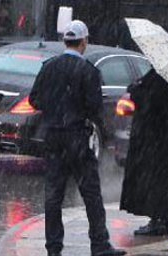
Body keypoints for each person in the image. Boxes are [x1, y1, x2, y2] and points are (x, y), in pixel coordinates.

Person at [29, 20, 126, 256]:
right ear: (84, 42)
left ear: (65, 41)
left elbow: (34, 99)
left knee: (53, 195)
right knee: (91, 193)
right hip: (77, 137)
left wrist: (54, 109)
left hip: (53, 137)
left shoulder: (48, 67)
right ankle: (100, 244)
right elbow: (94, 107)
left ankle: (53, 248)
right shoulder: (89, 71)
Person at [120, 68, 168, 236]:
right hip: (164, 140)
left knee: (156, 181)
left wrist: (135, 90)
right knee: (161, 181)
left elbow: (151, 100)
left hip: (157, 140)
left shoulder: (162, 77)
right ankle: (159, 219)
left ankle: (158, 220)